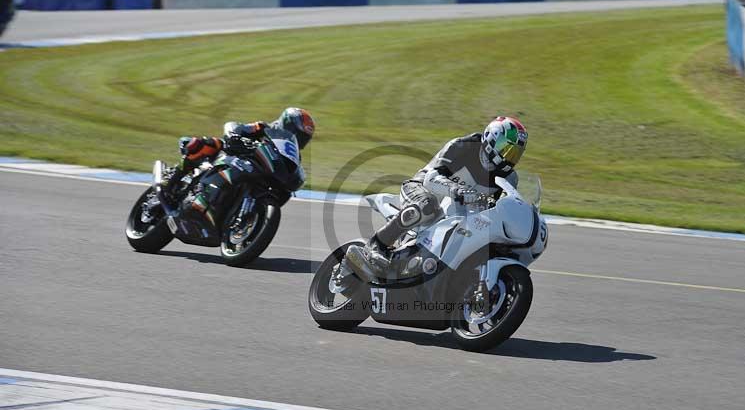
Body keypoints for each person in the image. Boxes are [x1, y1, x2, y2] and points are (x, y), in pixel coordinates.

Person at [345, 116, 528, 281]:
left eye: (515, 154)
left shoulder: (508, 178)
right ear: (491, 138)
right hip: (420, 188)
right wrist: (458, 190)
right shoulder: (464, 146)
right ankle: (376, 246)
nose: (508, 157)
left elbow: (499, 207)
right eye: (506, 149)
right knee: (428, 205)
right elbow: (431, 178)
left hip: (456, 211)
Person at [164, 107, 315, 221]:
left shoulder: (291, 155)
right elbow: (235, 127)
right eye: (297, 133)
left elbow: (291, 170)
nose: (299, 139)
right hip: (233, 158)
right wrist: (236, 136)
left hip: (256, 174)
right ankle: (172, 182)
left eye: (303, 137)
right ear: (286, 124)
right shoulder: (264, 129)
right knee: (211, 145)